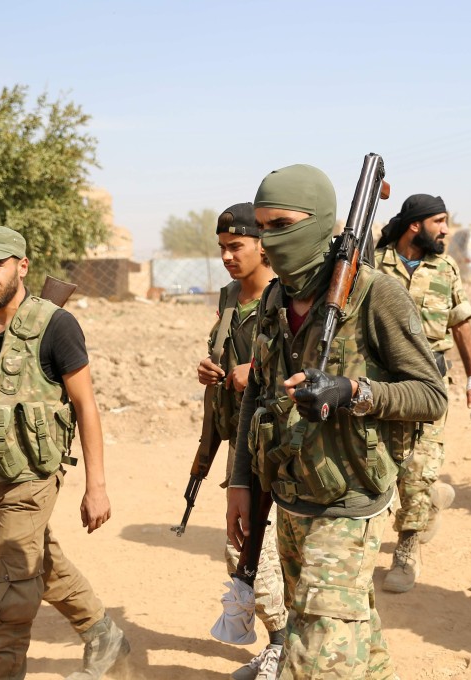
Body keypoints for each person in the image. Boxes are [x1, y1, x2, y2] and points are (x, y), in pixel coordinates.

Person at [225, 164, 447, 679]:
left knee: (317, 658)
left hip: (349, 500)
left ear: (321, 222)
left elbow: (431, 395)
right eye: (263, 227)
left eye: (282, 225)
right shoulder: (276, 299)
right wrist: (240, 480)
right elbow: (257, 393)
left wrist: (353, 391)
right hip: (291, 495)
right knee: (348, 637)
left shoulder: (376, 296)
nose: (270, 240)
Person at [0, 225, 129, 680]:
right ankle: (104, 635)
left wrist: (95, 487)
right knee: (40, 563)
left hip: (31, 478)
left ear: (22, 266)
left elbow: (86, 405)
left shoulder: (56, 325)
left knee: (9, 586)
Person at [194, 204, 285, 680]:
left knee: (271, 547)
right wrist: (213, 370)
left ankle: (285, 645)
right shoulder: (231, 297)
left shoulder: (287, 294)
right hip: (242, 442)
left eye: (236, 247)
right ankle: (283, 643)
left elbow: (312, 360)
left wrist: (260, 371)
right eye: (222, 249)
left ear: (262, 245)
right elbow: (225, 355)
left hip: (283, 442)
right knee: (244, 544)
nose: (227, 257)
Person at [374, 193, 471, 593]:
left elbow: (462, 322)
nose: (446, 230)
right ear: (415, 225)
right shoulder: (374, 265)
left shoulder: (445, 268)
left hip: (430, 385)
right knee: (382, 463)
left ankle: (406, 550)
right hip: (383, 383)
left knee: (418, 466)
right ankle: (433, 496)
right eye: (439, 221)